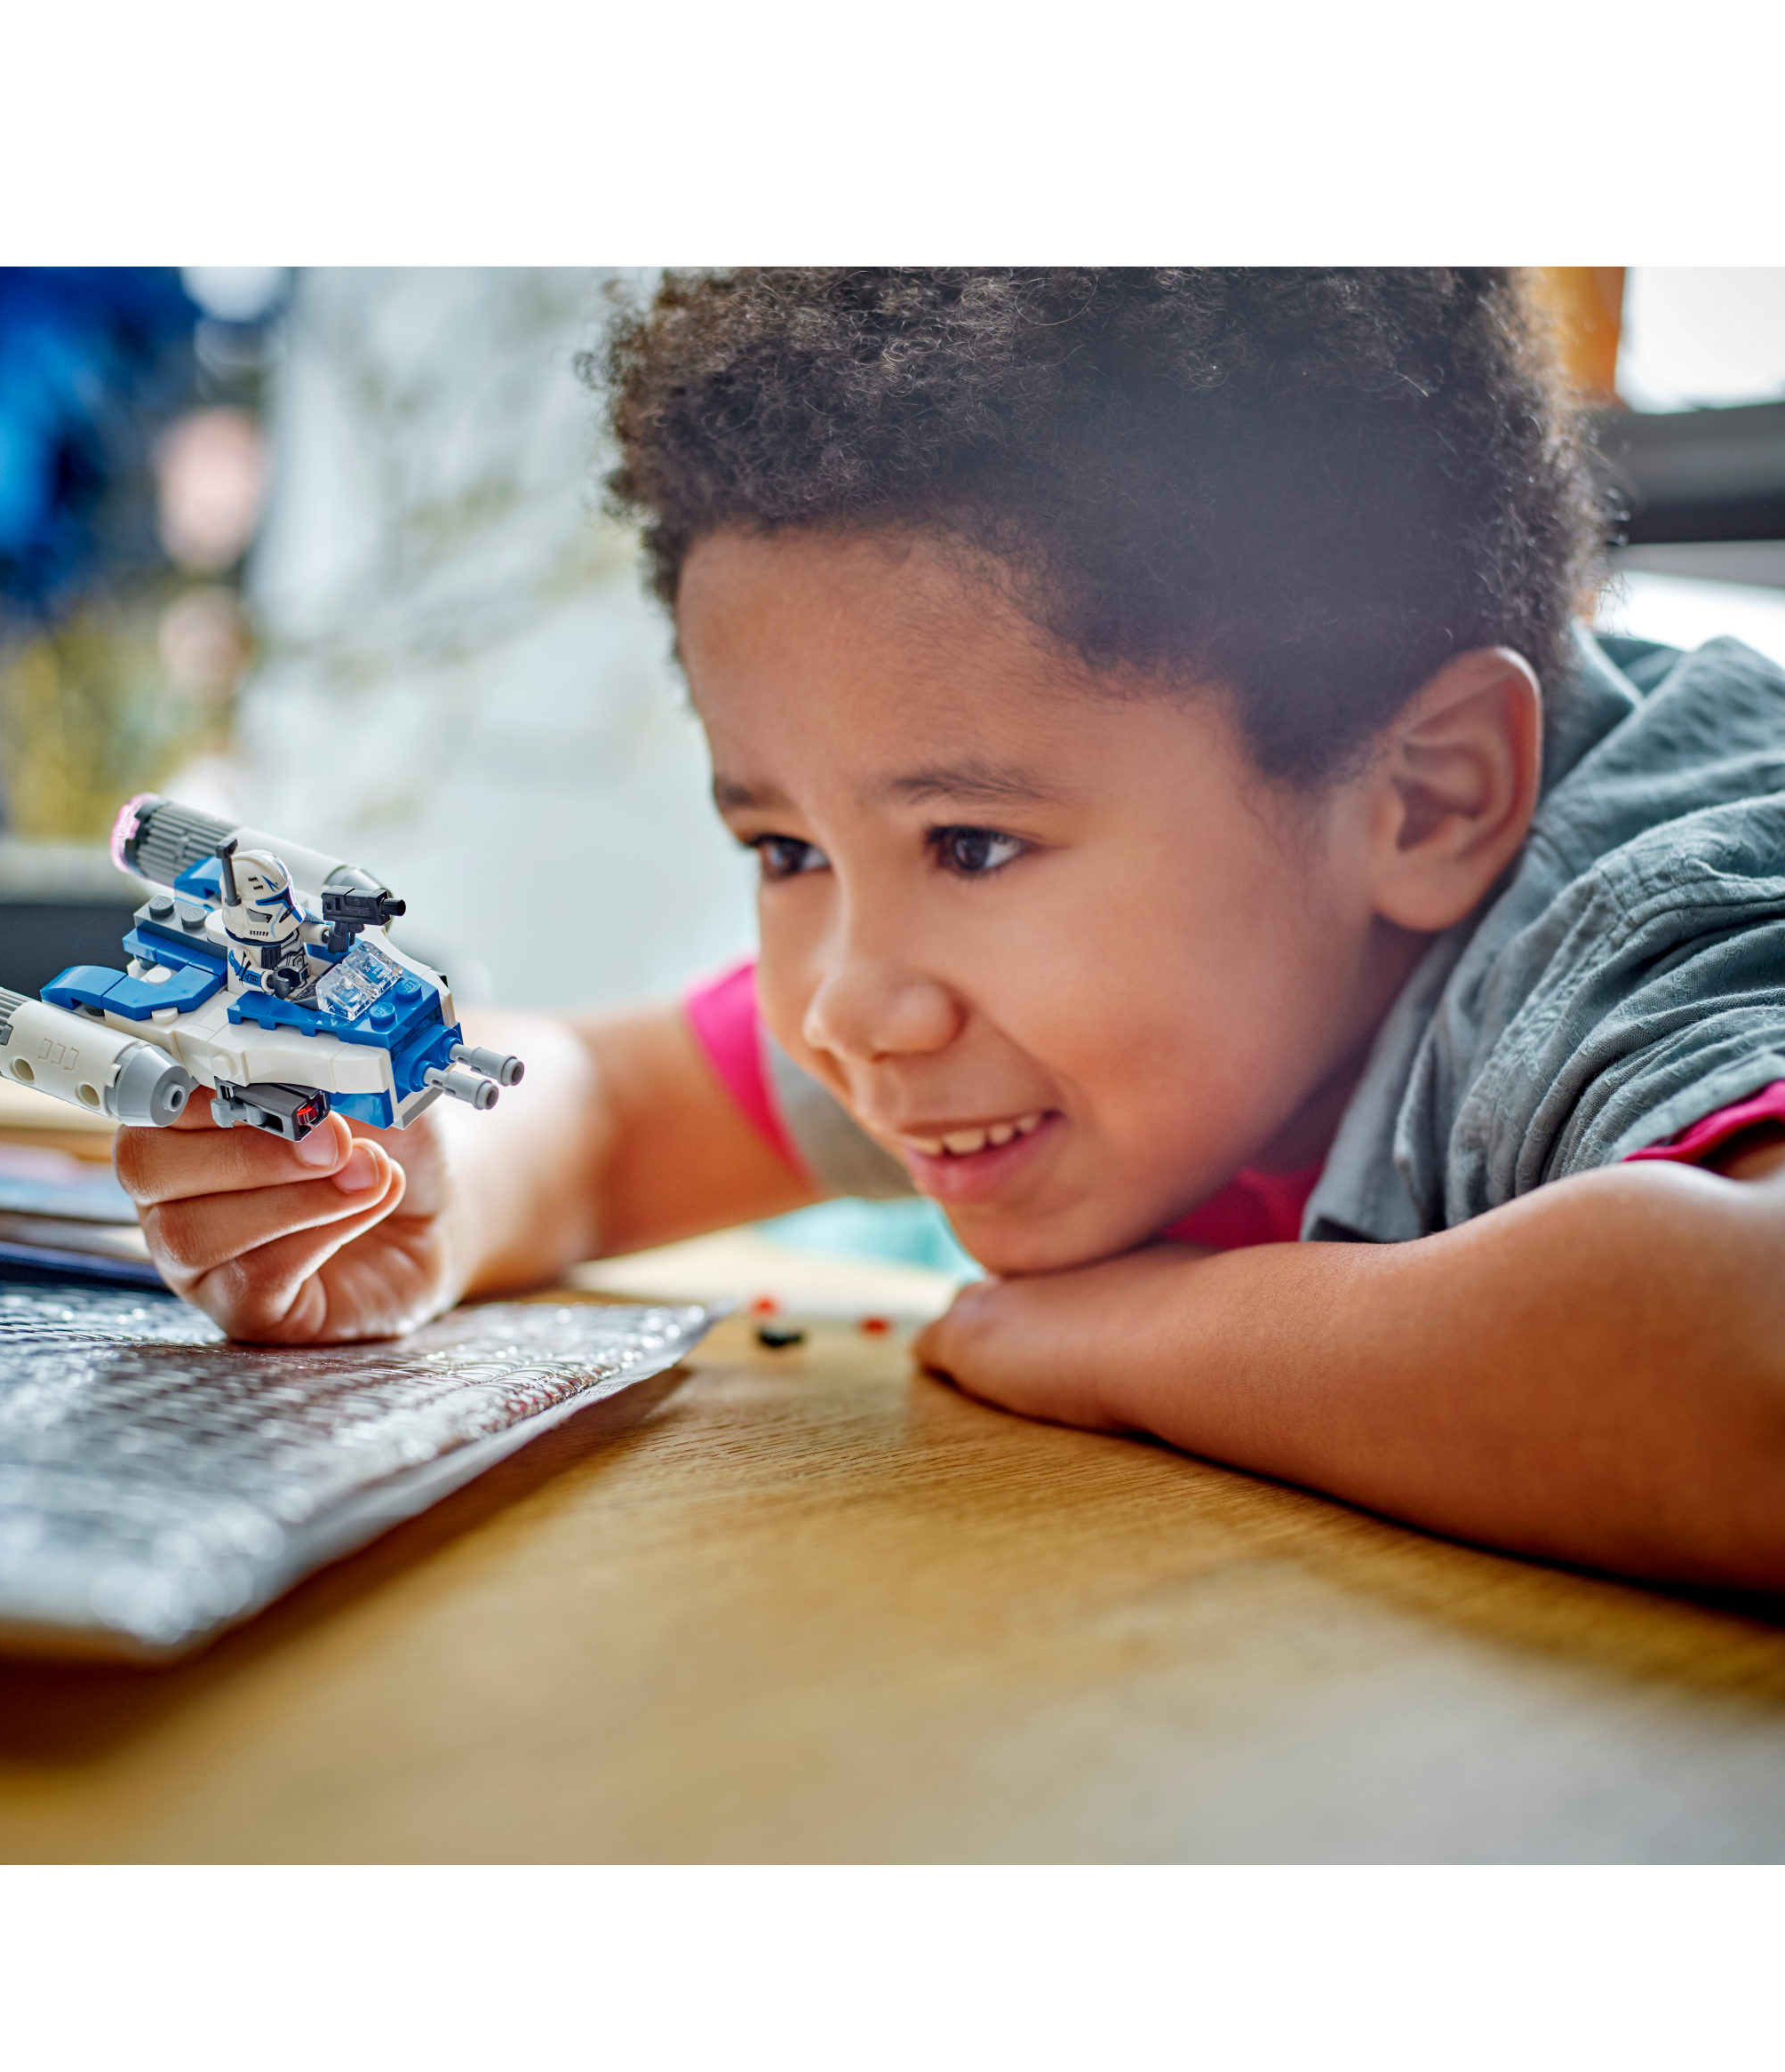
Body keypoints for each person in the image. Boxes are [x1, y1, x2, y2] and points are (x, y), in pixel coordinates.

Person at [116, 269, 1785, 1593]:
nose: (847, 1009)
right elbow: (613, 1110)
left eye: (972, 844)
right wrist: (418, 1181)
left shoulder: (1643, 925)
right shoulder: (1027, 1013)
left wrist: (1135, 1336)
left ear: (1423, 801)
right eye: (785, 848)